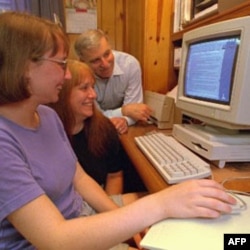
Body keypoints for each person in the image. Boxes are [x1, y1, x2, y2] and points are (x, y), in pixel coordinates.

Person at [0, 11, 237, 250]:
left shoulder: (48, 116)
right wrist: (161, 204)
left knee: (190, 220)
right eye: (62, 64)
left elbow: (80, 179)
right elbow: (56, 239)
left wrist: (130, 224)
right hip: (64, 238)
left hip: (81, 214)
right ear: (22, 66)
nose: (68, 73)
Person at [49, 59, 140, 197]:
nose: (93, 95)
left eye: (92, 87)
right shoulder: (47, 132)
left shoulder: (104, 128)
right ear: (63, 93)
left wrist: (109, 212)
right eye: (84, 88)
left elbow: (114, 176)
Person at [74, 29, 153, 134]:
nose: (105, 64)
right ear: (83, 62)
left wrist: (124, 120)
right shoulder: (80, 75)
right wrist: (123, 111)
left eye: (107, 54)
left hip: (123, 130)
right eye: (95, 60)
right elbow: (92, 116)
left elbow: (135, 110)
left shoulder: (130, 65)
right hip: (92, 131)